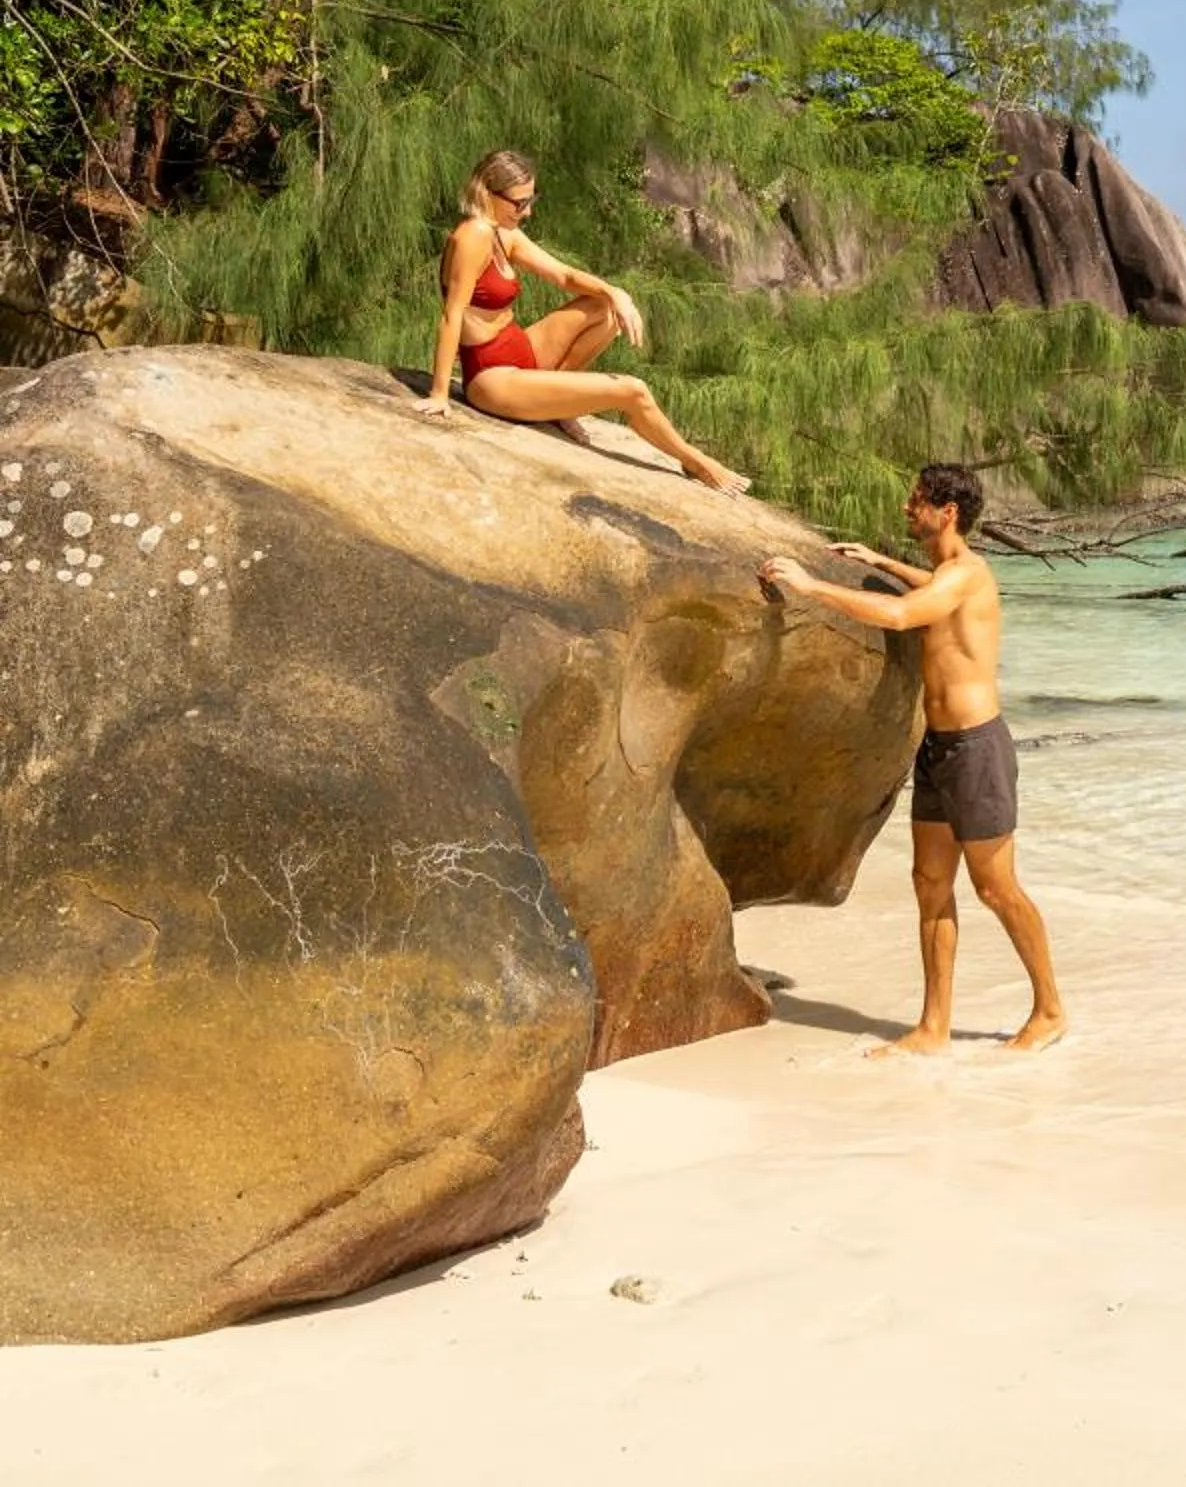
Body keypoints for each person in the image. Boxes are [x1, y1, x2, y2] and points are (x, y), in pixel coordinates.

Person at [760, 464, 1065, 1055]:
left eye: (917, 501)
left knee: (996, 888)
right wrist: (879, 561)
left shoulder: (970, 575)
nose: (908, 508)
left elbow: (904, 614)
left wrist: (812, 585)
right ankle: (933, 1028)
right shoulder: (948, 573)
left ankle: (1050, 1011)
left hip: (977, 749)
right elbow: (928, 585)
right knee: (929, 883)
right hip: (939, 749)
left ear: (947, 511)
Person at [414, 147, 748, 491]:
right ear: (488, 193)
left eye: (532, 200)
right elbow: (452, 313)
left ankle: (558, 405)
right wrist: (440, 394)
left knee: (605, 309)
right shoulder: (473, 236)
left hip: (520, 350)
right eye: (519, 203)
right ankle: (696, 462)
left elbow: (564, 275)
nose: (527, 212)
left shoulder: (503, 233)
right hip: (492, 377)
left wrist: (615, 293)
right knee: (633, 390)